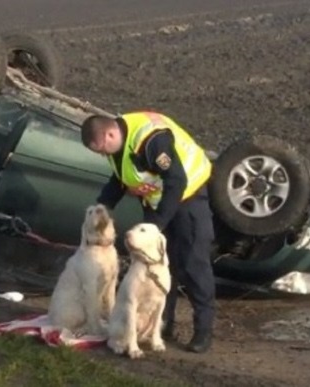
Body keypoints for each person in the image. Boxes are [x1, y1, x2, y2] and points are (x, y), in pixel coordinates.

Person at [80, 111, 217, 353]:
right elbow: (121, 178)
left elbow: (177, 181)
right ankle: (163, 324)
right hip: (158, 203)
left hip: (189, 198)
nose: (102, 154)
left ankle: (203, 331)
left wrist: (157, 225)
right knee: (157, 267)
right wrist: (103, 206)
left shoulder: (152, 141)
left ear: (110, 133)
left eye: (101, 149)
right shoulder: (119, 142)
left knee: (193, 264)